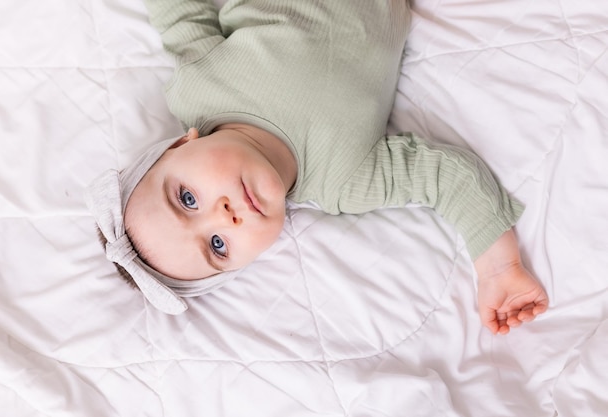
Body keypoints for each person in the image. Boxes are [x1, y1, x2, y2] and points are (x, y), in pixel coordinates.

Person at [85, 0, 548, 334]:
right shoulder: (345, 180)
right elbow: (445, 177)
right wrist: (499, 267)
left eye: (188, 199)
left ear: (180, 145)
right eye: (219, 246)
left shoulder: (199, 85)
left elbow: (178, 11)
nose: (223, 215)